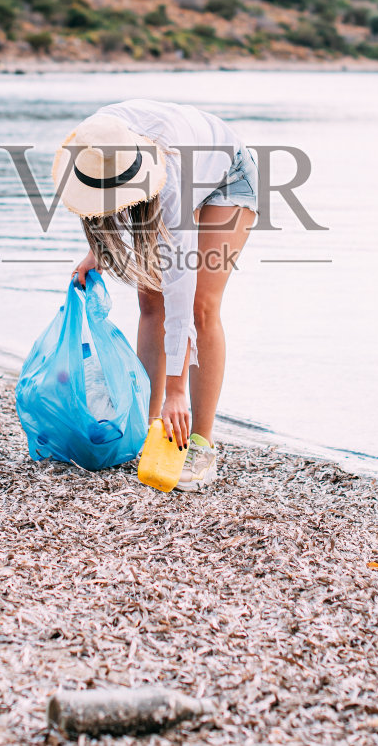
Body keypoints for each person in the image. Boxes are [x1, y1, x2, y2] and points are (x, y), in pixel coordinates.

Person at [56, 99, 258, 492]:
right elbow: (104, 195)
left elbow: (181, 291)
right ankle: (147, 429)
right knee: (150, 302)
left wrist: (176, 391)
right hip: (177, 164)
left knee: (200, 306)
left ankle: (200, 444)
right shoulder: (93, 142)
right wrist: (99, 250)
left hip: (227, 176)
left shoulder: (169, 181)